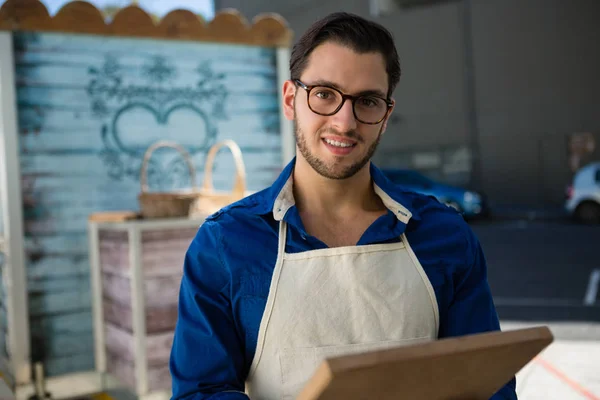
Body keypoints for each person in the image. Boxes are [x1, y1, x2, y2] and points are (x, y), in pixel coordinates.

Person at [169, 11, 517, 400]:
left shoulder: (445, 236)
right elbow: (201, 392)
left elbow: (488, 385)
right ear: (290, 99)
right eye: (324, 94)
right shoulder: (224, 245)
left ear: (385, 116)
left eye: (367, 101)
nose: (345, 121)